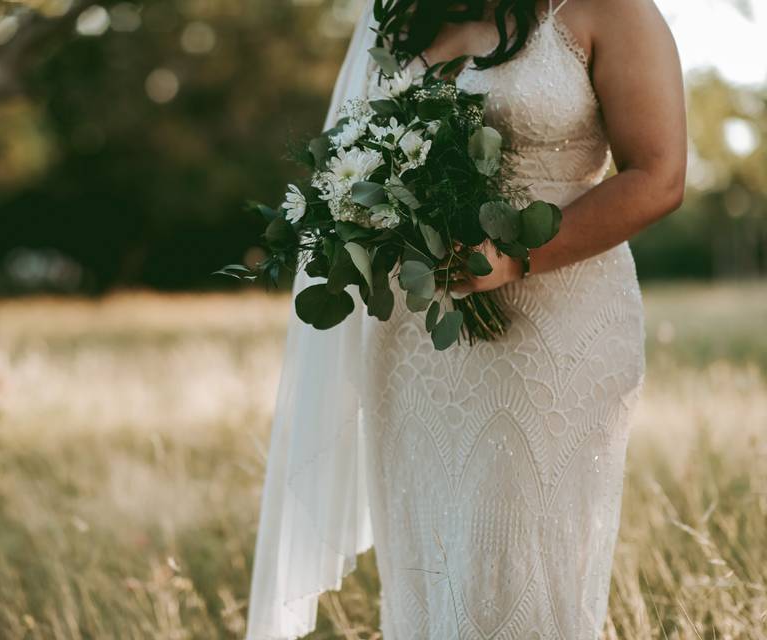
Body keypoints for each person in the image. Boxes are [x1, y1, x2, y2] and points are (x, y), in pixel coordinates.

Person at [247, 0, 687, 637]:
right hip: (413, 338)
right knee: (429, 568)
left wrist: (517, 257)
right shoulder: (406, 19)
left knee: (512, 569)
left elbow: (660, 176)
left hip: (551, 327)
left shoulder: (608, 10)